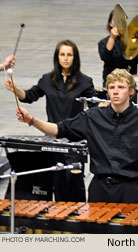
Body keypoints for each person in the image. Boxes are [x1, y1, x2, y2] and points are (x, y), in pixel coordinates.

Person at [16, 68, 138, 203]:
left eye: (121, 87)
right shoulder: (92, 117)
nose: (115, 91)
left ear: (131, 91)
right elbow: (58, 129)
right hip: (98, 188)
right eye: (112, 87)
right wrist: (31, 120)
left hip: (128, 190)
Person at [5, 40, 96, 202]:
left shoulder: (85, 82)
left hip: (75, 141)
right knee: (57, 182)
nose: (66, 58)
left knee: (74, 182)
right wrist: (15, 89)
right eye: (62, 54)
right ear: (57, 57)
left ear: (75, 58)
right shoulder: (47, 80)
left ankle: (79, 221)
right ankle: (60, 223)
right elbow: (29, 96)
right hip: (52, 139)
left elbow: (95, 105)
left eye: (69, 55)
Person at [98, 10, 138, 88]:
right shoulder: (103, 42)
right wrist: (112, 37)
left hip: (129, 84)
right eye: (116, 19)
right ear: (110, 23)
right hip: (111, 83)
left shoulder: (131, 41)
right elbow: (105, 57)